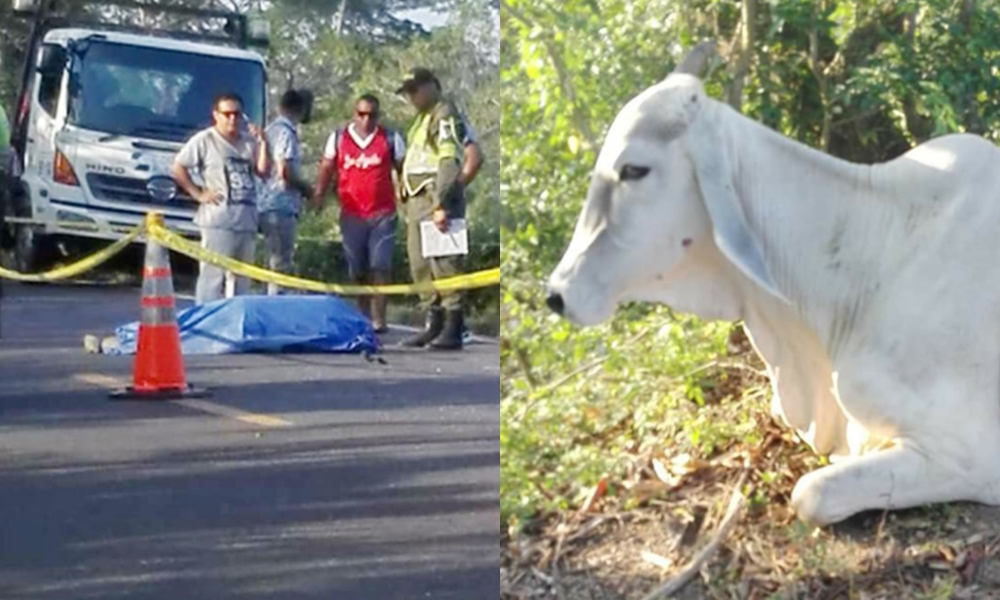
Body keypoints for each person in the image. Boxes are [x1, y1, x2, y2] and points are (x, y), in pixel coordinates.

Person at [313, 94, 405, 333]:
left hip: (383, 213)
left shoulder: (391, 138)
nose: (366, 120)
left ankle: (379, 318)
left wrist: (406, 194)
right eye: (361, 114)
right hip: (352, 213)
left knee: (380, 265)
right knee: (358, 268)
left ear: (378, 116)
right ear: (354, 114)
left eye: (372, 115)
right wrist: (319, 194)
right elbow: (326, 167)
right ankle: (362, 315)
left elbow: (403, 169)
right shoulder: (339, 138)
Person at [396, 68, 473, 351]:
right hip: (416, 200)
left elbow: (449, 160)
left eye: (415, 90)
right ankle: (433, 323)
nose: (412, 97)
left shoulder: (444, 114)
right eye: (408, 92)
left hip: (435, 197)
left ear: (432, 86)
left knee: (444, 262)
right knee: (420, 264)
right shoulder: (420, 120)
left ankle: (453, 327)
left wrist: (442, 201)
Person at [171, 93, 269, 305]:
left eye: (236, 114)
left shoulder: (249, 142)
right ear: (216, 115)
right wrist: (197, 193)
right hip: (218, 220)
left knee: (242, 280)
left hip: (246, 220)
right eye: (227, 114)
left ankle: (235, 323)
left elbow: (263, 171)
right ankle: (205, 319)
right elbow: (178, 167)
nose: (232, 119)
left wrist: (263, 142)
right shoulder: (205, 140)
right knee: (212, 277)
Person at [259, 89, 310, 295]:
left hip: (265, 203)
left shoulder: (270, 129)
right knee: (280, 262)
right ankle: (275, 305)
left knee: (270, 261)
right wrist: (307, 189)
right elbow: (284, 170)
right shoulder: (285, 132)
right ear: (300, 108)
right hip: (280, 204)